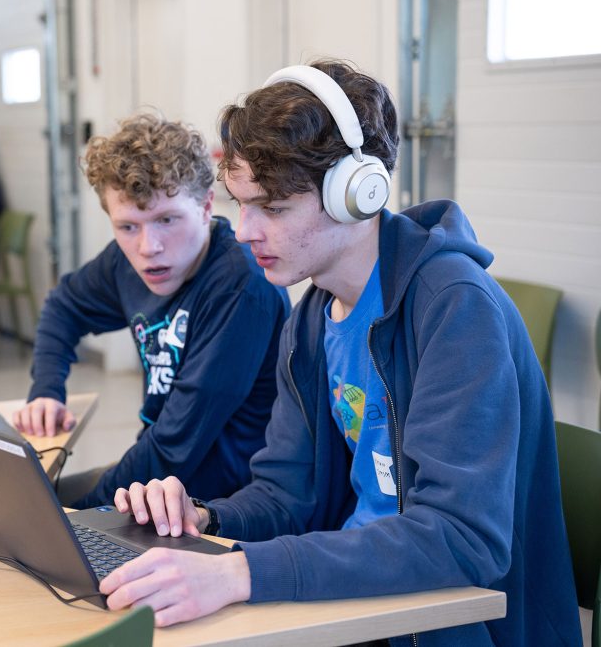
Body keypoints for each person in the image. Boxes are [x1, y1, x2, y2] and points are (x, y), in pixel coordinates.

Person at [98, 62, 580, 645]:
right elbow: (286, 492)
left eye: (272, 209)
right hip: (355, 602)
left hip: (451, 622)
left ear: (358, 195)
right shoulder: (312, 318)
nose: (246, 230)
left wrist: (241, 571)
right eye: (242, 204)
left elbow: (460, 538)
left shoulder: (453, 307)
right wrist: (205, 519)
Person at [12, 113, 290, 509]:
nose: (148, 247)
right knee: (12, 504)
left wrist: (84, 516)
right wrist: (46, 391)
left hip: (215, 507)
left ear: (206, 205)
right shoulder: (130, 262)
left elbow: (175, 445)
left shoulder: (241, 287)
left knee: (36, 516)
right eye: (128, 227)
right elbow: (64, 306)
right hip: (155, 485)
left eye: (167, 220)